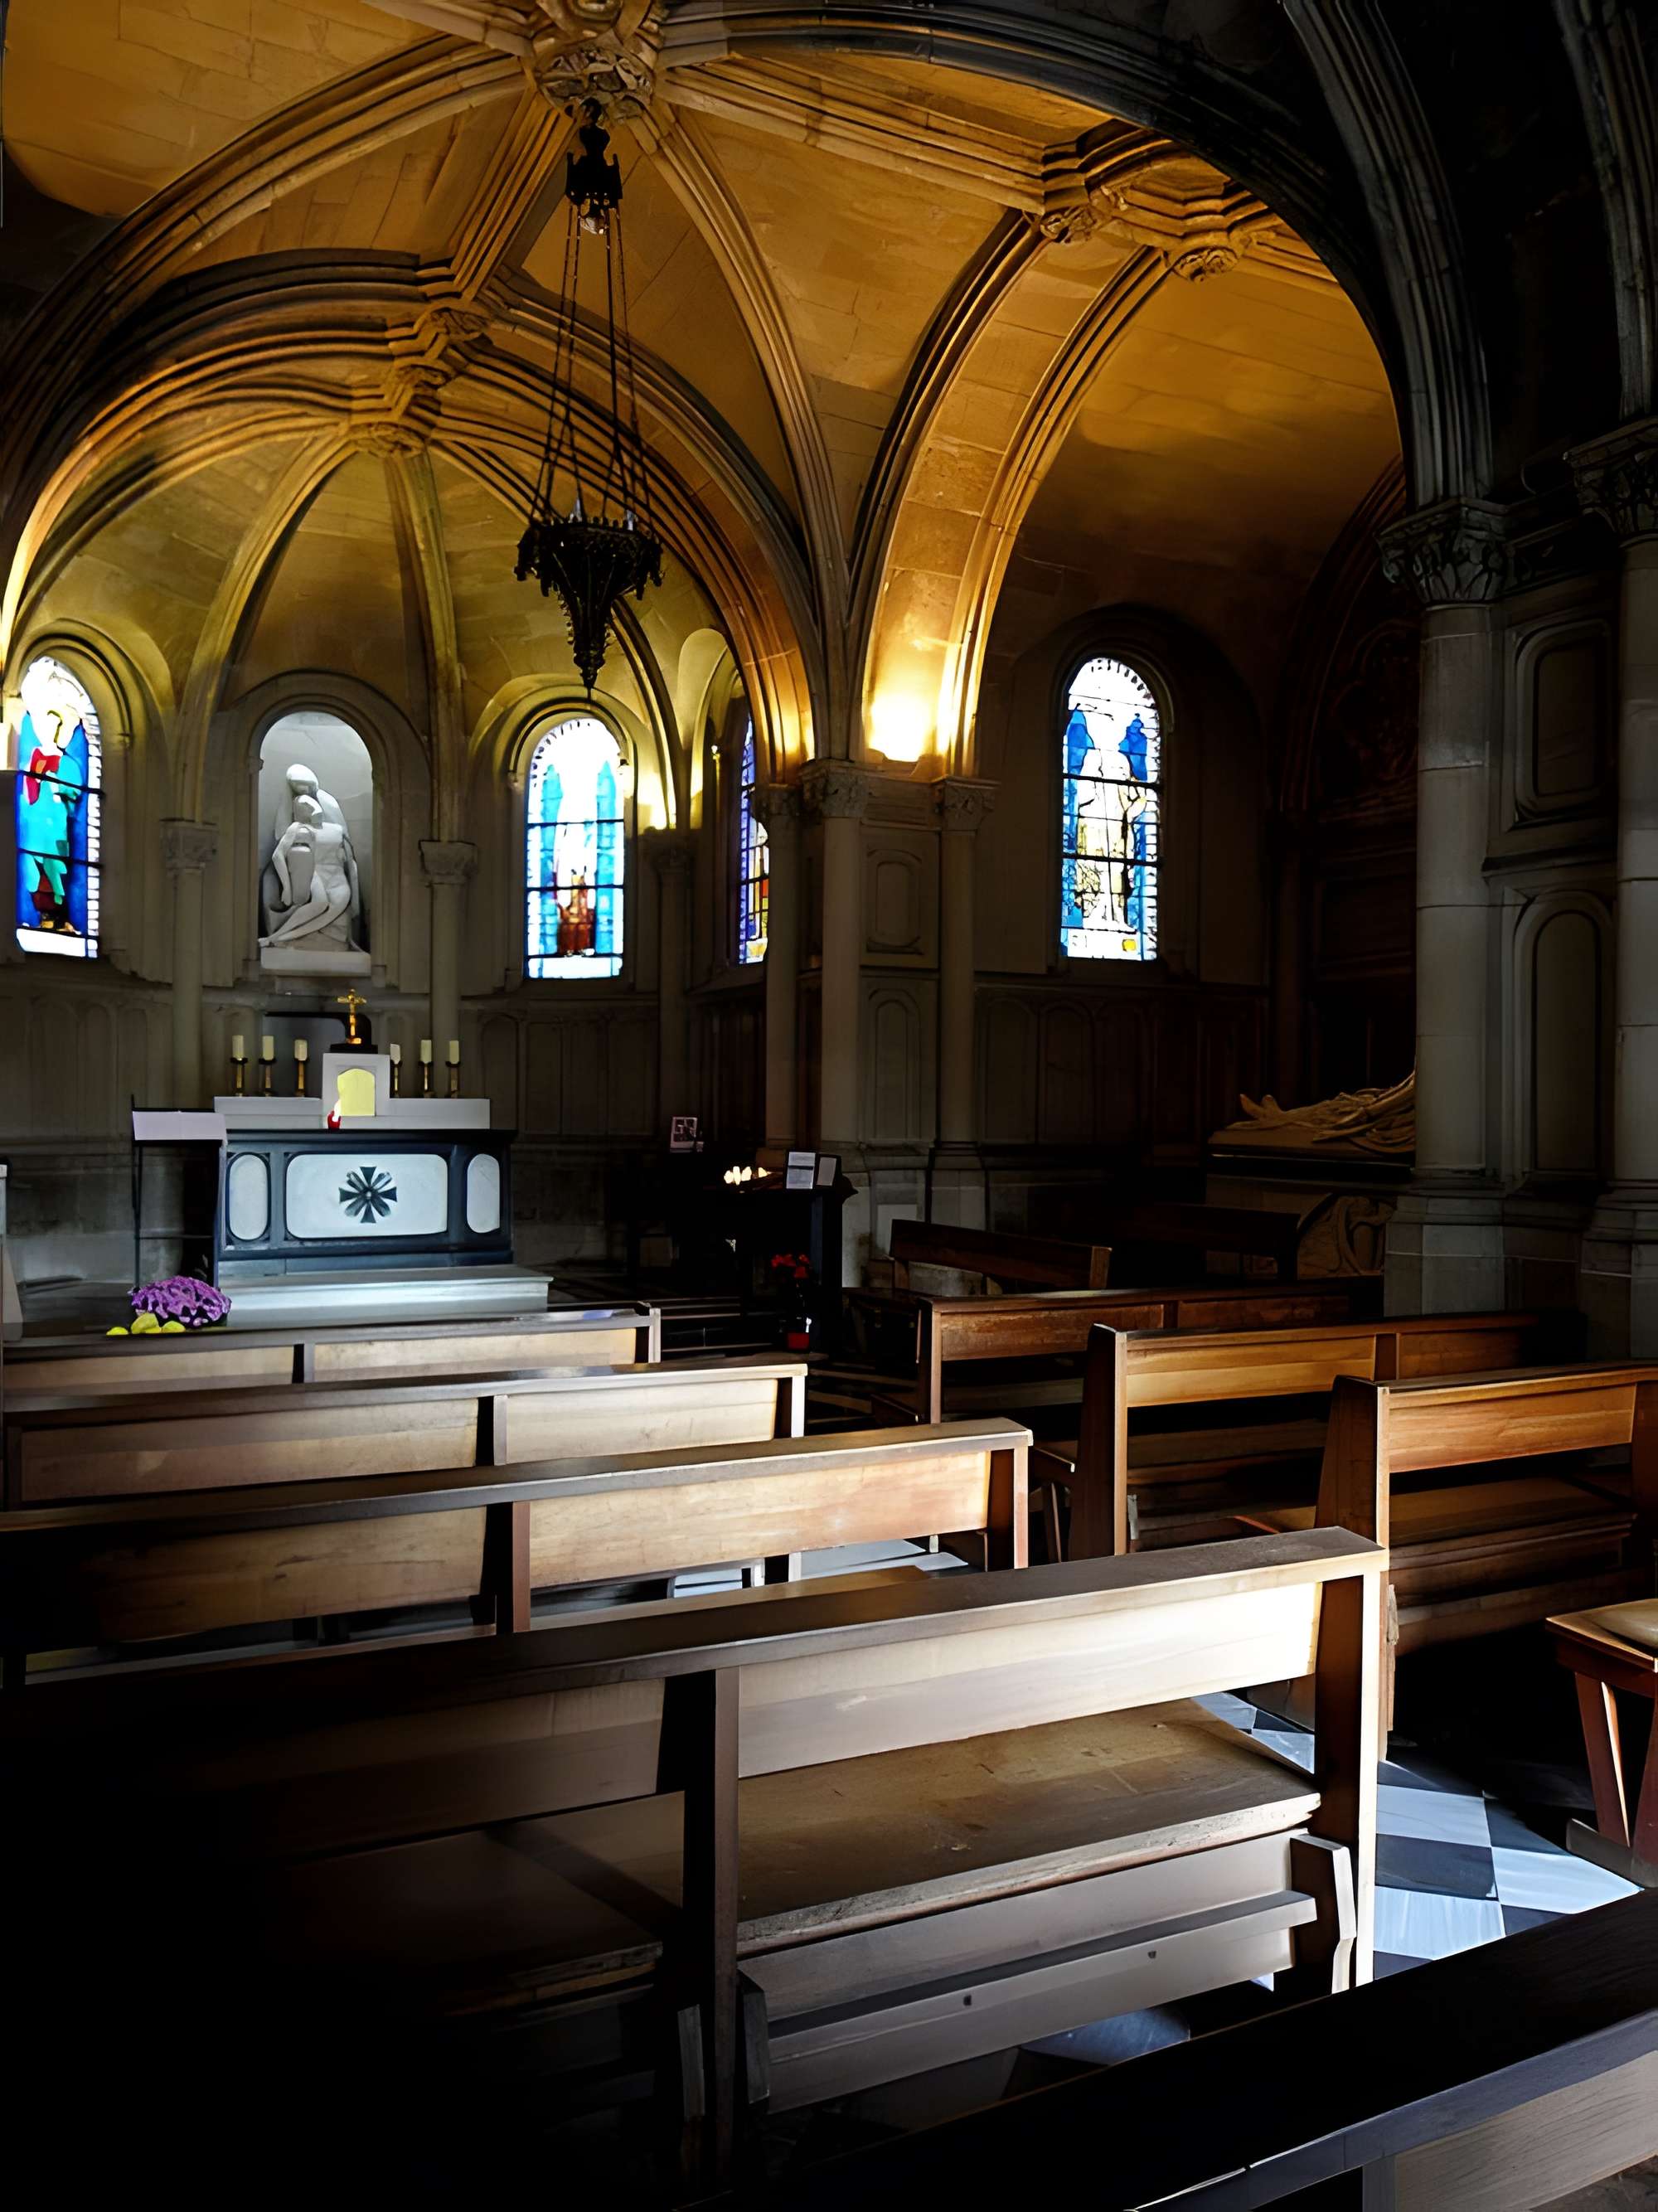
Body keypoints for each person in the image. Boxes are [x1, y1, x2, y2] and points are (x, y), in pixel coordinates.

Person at [261, 794, 360, 947]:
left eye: (308, 802)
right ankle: (277, 936)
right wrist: (286, 887)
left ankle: (279, 938)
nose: (307, 806)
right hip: (316, 873)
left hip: (338, 878)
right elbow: (277, 855)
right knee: (320, 903)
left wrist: (356, 896)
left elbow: (351, 862)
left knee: (333, 910)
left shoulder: (337, 829)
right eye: (301, 804)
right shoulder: (298, 828)